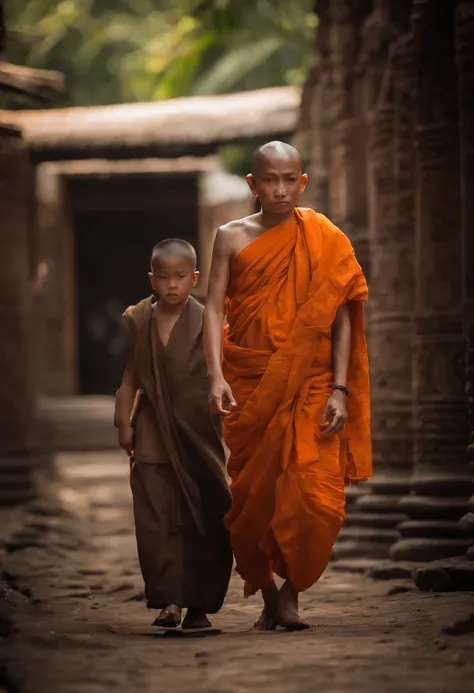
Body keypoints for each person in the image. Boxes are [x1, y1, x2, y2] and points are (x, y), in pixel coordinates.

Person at [203, 141, 371, 631]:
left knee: (315, 496)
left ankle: (293, 591)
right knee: (253, 498)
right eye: (269, 180)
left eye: (288, 179)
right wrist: (214, 372)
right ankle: (271, 596)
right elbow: (214, 306)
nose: (279, 189)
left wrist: (341, 388)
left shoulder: (324, 238)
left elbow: (341, 317)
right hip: (252, 381)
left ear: (302, 182)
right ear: (252, 184)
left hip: (314, 382)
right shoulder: (230, 238)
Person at [114, 238, 233, 630]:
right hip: (152, 427)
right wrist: (123, 419)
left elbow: (223, 374)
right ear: (152, 278)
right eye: (163, 277)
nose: (172, 285)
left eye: (180, 277)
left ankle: (199, 605)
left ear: (194, 278)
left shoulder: (207, 319)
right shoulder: (139, 319)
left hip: (199, 430)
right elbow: (131, 374)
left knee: (206, 514)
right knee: (154, 515)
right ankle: (170, 602)